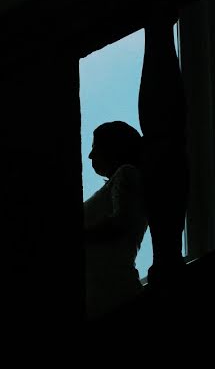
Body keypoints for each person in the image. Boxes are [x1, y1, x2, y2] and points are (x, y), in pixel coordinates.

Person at [83, 121, 148, 320]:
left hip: (111, 296)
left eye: (95, 147)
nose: (90, 155)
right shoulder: (122, 180)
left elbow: (121, 223)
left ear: (113, 148)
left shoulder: (126, 174)